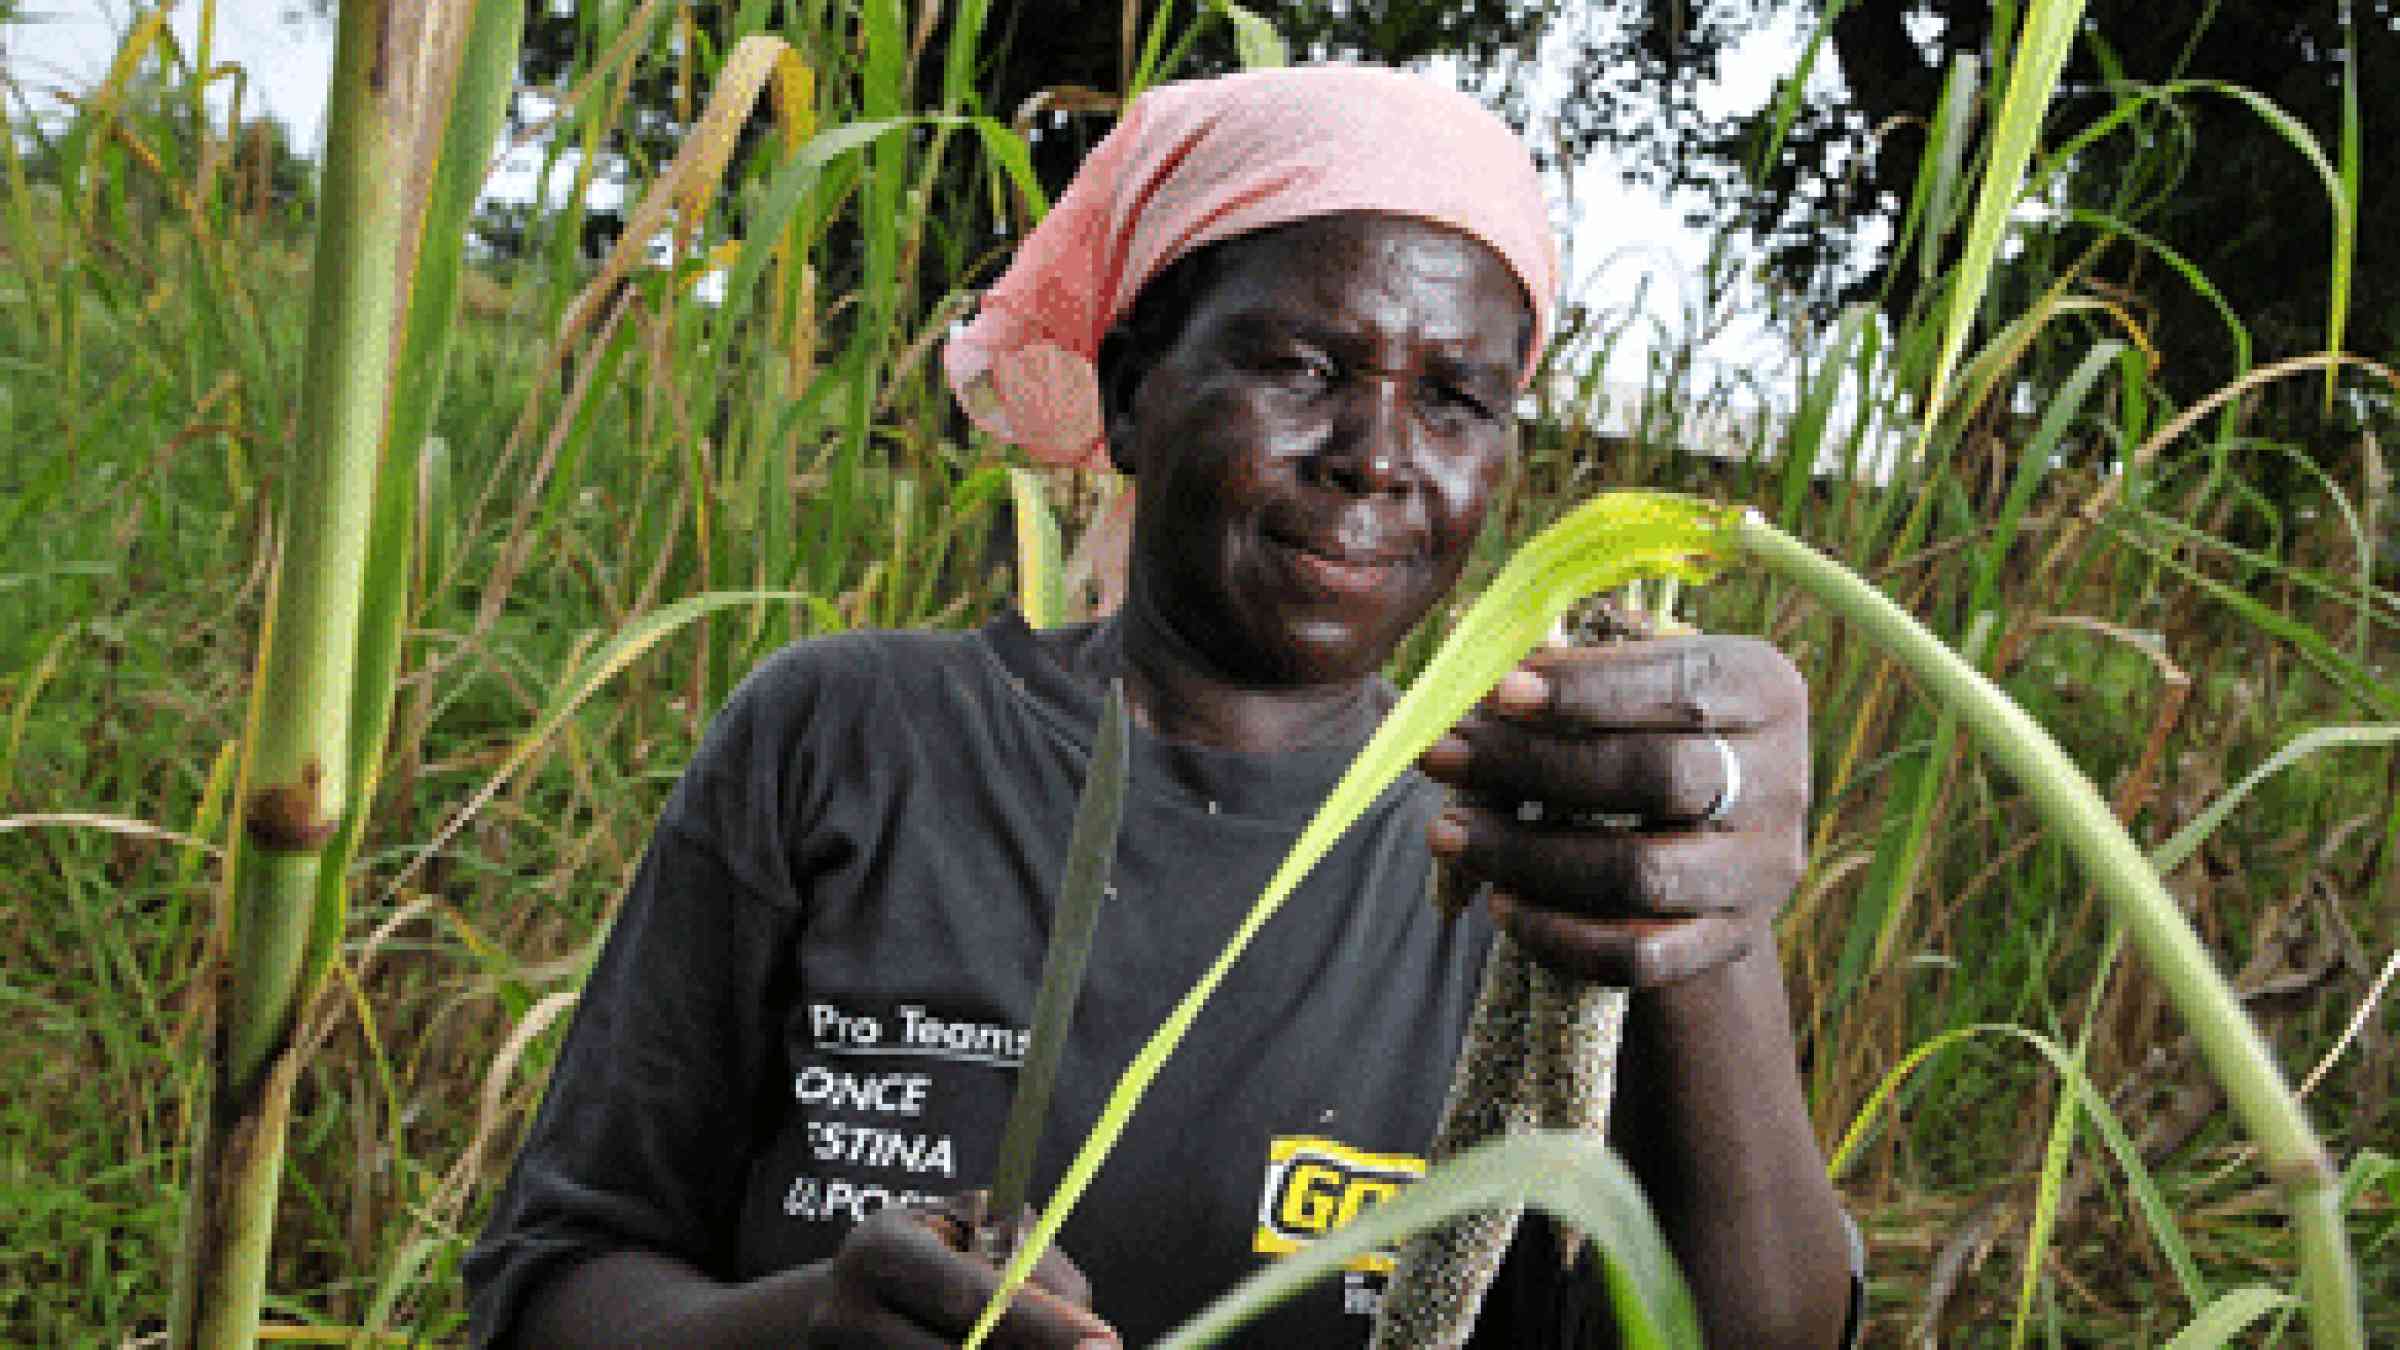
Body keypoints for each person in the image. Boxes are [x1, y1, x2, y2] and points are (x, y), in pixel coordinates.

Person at [467, 65, 1858, 1347]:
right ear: (1134, 396)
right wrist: (804, 1328)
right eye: (1304, 368)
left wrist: (1709, 931)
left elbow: (1759, 1331)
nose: (1376, 458)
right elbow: (553, 1283)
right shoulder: (846, 739)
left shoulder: (1541, 844)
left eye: (1454, 398)